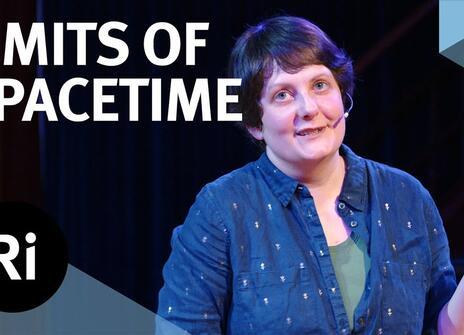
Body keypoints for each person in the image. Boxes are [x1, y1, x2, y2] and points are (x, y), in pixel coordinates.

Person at [157, 16, 463, 334]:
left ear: (342, 95)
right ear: (255, 123)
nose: (308, 108)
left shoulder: (405, 195)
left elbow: (441, 329)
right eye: (283, 95)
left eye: (319, 85)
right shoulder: (222, 209)